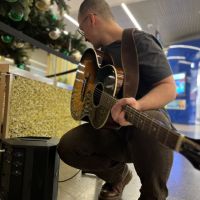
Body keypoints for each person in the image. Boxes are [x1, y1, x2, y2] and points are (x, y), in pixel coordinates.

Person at [57, 0, 177, 200]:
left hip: (144, 133)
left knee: (150, 120)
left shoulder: (138, 41)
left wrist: (138, 105)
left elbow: (168, 88)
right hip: (112, 131)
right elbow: (94, 95)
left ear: (92, 19)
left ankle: (152, 194)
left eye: (81, 29)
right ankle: (118, 176)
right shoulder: (97, 57)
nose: (84, 36)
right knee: (68, 146)